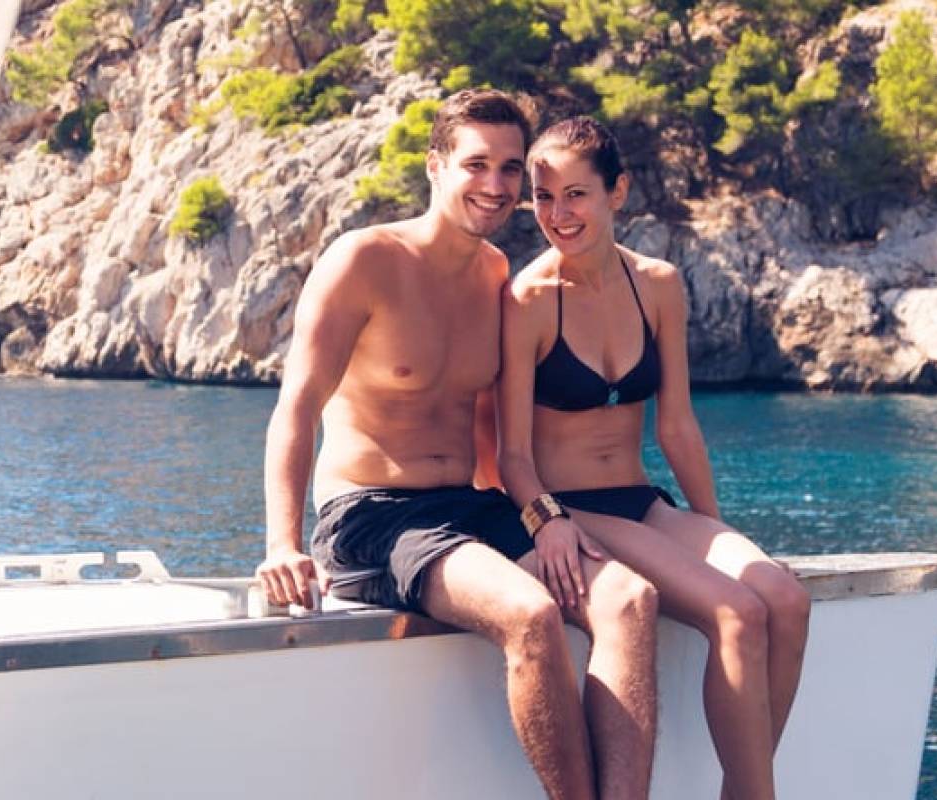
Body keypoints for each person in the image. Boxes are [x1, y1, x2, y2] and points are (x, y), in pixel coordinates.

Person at [254, 90, 657, 800]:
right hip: (372, 515)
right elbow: (296, 408)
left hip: (470, 509)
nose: (496, 186)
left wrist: (542, 518)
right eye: (477, 165)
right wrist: (281, 544)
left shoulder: (497, 278)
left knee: (627, 601)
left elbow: (495, 436)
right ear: (435, 165)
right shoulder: (364, 260)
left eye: (510, 169)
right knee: (529, 613)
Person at [496, 116, 811, 800]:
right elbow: (511, 455)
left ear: (619, 192)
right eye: (543, 198)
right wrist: (548, 519)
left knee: (780, 596)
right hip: (573, 511)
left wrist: (717, 535)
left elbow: (677, 429)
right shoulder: (528, 300)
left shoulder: (659, 284)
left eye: (576, 194)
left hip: (643, 500)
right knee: (734, 612)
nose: (559, 214)